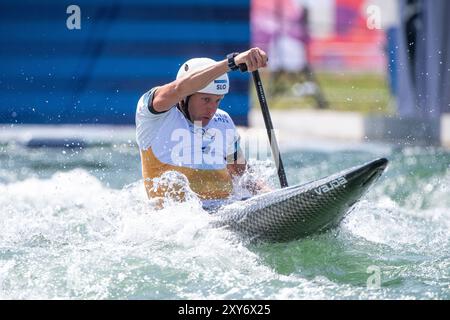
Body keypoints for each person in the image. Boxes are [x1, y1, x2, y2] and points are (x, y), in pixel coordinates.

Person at [135, 48, 270, 208]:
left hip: (225, 212)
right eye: (205, 99)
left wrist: (273, 197)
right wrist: (232, 62)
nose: (212, 110)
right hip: (177, 222)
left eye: (217, 100)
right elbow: (180, 88)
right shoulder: (154, 116)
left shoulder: (223, 120)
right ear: (185, 98)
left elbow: (244, 175)